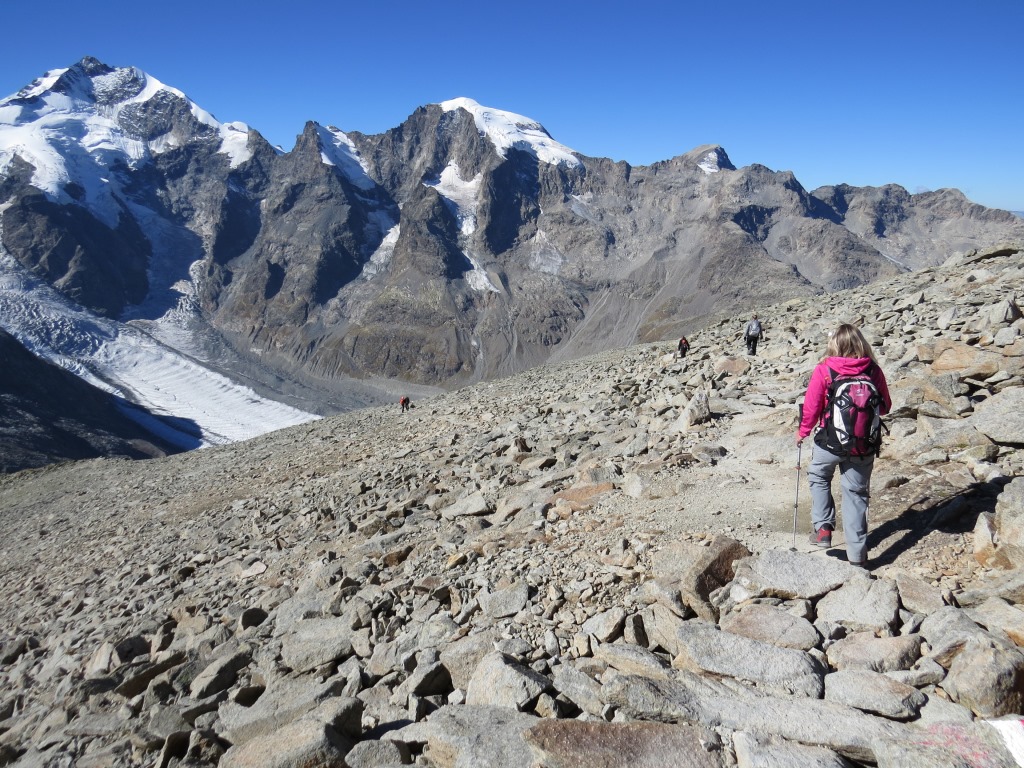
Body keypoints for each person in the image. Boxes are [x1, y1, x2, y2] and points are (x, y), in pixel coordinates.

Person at [797, 324, 891, 567]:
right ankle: (857, 557)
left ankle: (823, 529)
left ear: (834, 344)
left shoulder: (825, 369)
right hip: (863, 445)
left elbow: (812, 408)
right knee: (856, 494)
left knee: (819, 476)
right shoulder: (873, 369)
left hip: (830, 442)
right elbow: (885, 407)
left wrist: (803, 432)